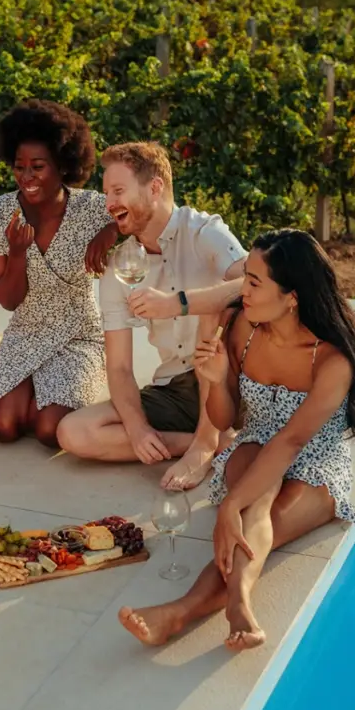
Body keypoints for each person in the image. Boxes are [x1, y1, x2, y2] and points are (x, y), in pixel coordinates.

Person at [118, 229, 355, 651]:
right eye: (246, 278)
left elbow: (293, 441)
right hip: (256, 441)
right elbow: (228, 420)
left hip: (314, 460)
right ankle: (234, 604)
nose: (242, 291)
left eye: (254, 282)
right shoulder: (243, 329)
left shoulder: (333, 360)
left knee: (262, 523)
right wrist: (216, 382)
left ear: (291, 296)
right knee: (253, 504)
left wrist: (231, 502)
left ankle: (186, 611)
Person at [55, 142, 248, 491]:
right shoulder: (121, 266)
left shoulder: (203, 232)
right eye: (106, 193)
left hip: (230, 381)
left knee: (211, 308)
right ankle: (202, 444)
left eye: (118, 191)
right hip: (177, 387)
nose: (109, 203)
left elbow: (255, 282)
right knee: (73, 432)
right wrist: (137, 429)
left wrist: (181, 303)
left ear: (155, 188)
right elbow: (118, 368)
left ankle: (207, 441)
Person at [0, 99, 118, 447]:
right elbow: (7, 301)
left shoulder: (93, 207)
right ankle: (33, 385)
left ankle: (64, 381)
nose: (26, 177)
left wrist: (110, 231)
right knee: (3, 426)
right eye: (19, 166)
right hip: (26, 329)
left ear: (63, 164)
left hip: (78, 333)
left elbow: (138, 213)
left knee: (49, 430)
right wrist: (18, 254)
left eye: (37, 167)